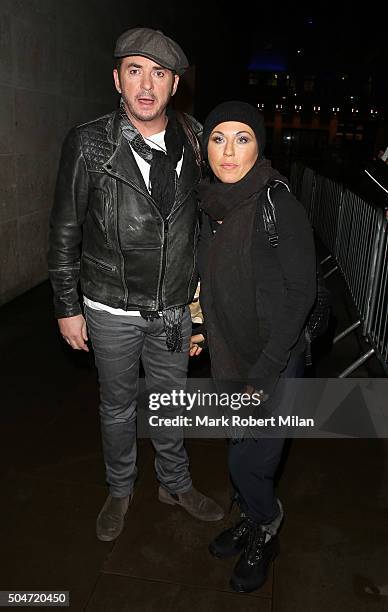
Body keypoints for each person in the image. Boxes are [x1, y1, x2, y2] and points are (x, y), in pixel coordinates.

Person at [48, 27, 224, 542]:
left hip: (171, 310)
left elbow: (209, 222)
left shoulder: (195, 139)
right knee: (118, 405)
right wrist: (66, 305)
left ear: (174, 86)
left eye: (159, 74)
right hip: (108, 308)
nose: (146, 86)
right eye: (135, 71)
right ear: (117, 80)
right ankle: (120, 488)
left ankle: (175, 483)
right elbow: (64, 228)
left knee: (170, 403)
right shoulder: (88, 142)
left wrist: (201, 308)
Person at [190, 101, 316, 592]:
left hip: (275, 361)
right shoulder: (210, 206)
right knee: (238, 450)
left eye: (242, 138)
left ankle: (266, 526)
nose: (229, 151)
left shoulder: (278, 203)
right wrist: (202, 331)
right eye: (219, 138)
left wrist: (265, 370)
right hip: (229, 353)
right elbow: (216, 285)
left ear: (259, 146)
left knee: (249, 462)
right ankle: (250, 517)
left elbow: (299, 294)